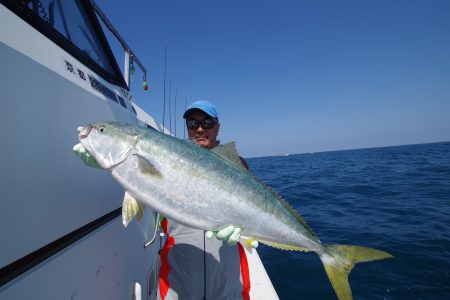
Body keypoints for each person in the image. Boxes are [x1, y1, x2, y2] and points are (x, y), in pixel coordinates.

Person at [158, 100, 255, 300]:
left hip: (227, 282)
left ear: (217, 127)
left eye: (207, 123)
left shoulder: (237, 165)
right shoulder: (168, 161)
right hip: (178, 283)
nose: (200, 129)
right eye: (193, 124)